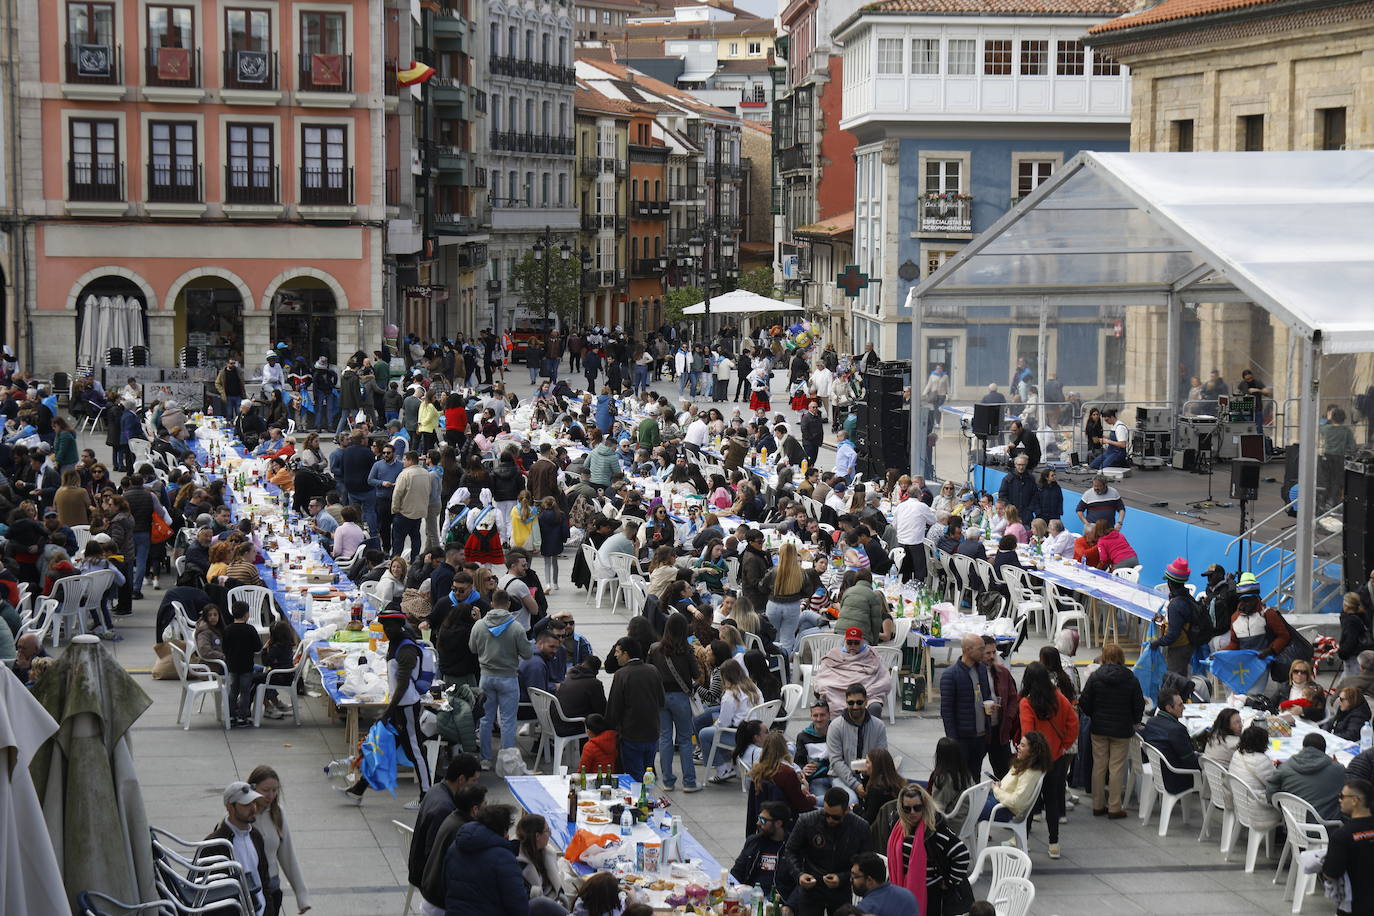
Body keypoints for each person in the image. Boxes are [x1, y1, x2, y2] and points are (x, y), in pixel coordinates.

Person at [344, 612, 433, 806]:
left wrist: (388, 712)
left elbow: (402, 685)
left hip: (406, 707)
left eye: (389, 627)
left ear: (399, 626)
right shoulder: (396, 642)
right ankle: (359, 789)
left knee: (415, 751)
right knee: (382, 747)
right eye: (384, 627)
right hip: (400, 706)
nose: (386, 631)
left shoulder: (405, 649)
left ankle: (427, 796)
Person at [880, 783, 972, 916]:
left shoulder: (935, 831)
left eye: (917, 808)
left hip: (930, 893)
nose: (912, 813)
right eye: (907, 809)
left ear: (925, 806)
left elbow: (962, 854)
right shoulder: (898, 826)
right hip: (902, 887)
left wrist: (949, 882)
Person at [1017, 661, 1078, 859]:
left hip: (1035, 760)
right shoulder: (1059, 698)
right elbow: (1073, 722)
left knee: (1028, 801)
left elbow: (1028, 734)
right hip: (1056, 758)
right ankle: (1054, 844)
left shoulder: (1027, 703)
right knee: (1052, 801)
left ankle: (1023, 841)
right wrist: (1063, 744)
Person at [1078, 642, 1145, 818]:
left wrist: (1094, 714)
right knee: (1116, 767)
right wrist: (1135, 720)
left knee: (1099, 766)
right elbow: (1138, 704)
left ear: (1104, 657)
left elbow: (1084, 702)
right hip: (1122, 730)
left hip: (1098, 728)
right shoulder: (1130, 678)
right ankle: (1115, 807)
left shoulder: (1095, 676)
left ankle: (1098, 804)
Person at [781, 787, 871, 916]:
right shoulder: (807, 821)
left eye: (835, 817)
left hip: (841, 889)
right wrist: (799, 874)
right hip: (812, 886)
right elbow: (790, 851)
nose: (829, 820)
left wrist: (843, 877)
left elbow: (865, 862)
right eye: (826, 814)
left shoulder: (860, 827)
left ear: (846, 810)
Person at [469, 590, 531, 770]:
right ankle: (507, 760)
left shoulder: (479, 625)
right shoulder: (516, 627)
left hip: (486, 677)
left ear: (492, 603)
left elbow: (472, 648)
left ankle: (486, 759)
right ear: (509, 604)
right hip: (508, 677)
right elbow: (527, 654)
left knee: (486, 719)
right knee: (508, 720)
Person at [443, 805, 531, 916]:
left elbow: (445, 885)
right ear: (504, 830)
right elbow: (518, 906)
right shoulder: (504, 858)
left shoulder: (455, 847)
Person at [247, 765, 311, 916]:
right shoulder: (241, 815)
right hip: (246, 887)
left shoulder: (278, 813)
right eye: (266, 790)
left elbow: (288, 856)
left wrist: (302, 896)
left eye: (275, 790)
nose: (271, 795)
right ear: (252, 788)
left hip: (271, 886)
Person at [649, 612, 702, 792]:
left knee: (665, 738)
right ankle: (689, 782)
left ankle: (668, 781)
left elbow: (650, 670)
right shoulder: (686, 650)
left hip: (661, 697)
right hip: (681, 696)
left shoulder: (655, 649)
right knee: (686, 739)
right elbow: (696, 675)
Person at [205, 781, 271, 916]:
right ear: (230, 807)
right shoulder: (213, 845)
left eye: (254, 802)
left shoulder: (256, 835)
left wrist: (270, 909)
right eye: (246, 804)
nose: (253, 808)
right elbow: (206, 894)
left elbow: (264, 877)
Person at [604, 636, 665, 781]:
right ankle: (648, 800)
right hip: (652, 733)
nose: (615, 655)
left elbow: (614, 708)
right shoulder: (653, 670)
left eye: (618, 651)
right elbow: (661, 700)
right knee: (647, 775)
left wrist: (609, 727)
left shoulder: (621, 674)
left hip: (631, 735)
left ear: (626, 654)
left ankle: (640, 801)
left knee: (635, 778)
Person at [824, 682, 889, 806]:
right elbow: (836, 761)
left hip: (871, 776)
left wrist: (870, 780)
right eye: (851, 703)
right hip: (841, 777)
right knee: (852, 800)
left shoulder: (878, 726)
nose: (855, 706)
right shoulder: (835, 726)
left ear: (866, 701)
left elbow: (882, 757)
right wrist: (856, 785)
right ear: (846, 702)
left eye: (859, 702)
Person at [699, 657, 762, 783]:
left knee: (704, 734)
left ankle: (722, 768)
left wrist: (716, 724)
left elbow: (724, 723)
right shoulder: (754, 688)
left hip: (740, 735)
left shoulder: (730, 695)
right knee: (714, 731)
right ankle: (728, 763)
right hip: (756, 730)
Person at [940, 634, 995, 777]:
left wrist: (990, 706)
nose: (984, 653)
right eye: (981, 649)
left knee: (975, 775)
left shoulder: (982, 670)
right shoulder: (950, 675)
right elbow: (947, 711)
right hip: (962, 738)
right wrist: (953, 741)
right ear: (968, 650)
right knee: (960, 777)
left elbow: (986, 695)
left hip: (981, 736)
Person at [1266, 731, 1347, 821]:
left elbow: (1271, 794)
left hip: (1293, 824)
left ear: (1303, 748)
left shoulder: (1285, 767)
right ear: (1324, 751)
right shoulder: (1338, 770)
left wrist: (1282, 808)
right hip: (1327, 826)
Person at [813, 629, 891, 721]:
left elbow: (884, 678)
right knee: (824, 687)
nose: (853, 646)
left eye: (856, 643)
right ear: (845, 641)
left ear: (862, 641)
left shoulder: (871, 655)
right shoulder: (834, 654)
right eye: (850, 642)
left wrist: (869, 690)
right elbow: (823, 675)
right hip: (836, 689)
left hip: (864, 688)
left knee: (874, 706)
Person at [1323, 778, 1374, 916]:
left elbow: (1331, 873)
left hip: (1355, 906)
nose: (1339, 800)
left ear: (1354, 800)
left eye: (1342, 796)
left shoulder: (1342, 836)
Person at [980, 732, 1052, 826]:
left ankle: (960, 837)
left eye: (1022, 745)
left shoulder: (1030, 773)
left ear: (1033, 751)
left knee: (966, 808)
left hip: (1003, 808)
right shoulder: (1024, 763)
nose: (1017, 746)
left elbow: (1016, 802)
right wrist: (998, 787)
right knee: (967, 802)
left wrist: (996, 790)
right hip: (999, 802)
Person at [1140, 688, 1201, 795]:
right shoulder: (1177, 730)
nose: (1184, 707)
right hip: (1175, 779)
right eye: (1180, 705)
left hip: (1159, 772)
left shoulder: (1151, 722)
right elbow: (1190, 761)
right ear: (1169, 708)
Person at [731, 800, 793, 896]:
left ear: (778, 823)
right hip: (750, 894)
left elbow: (798, 886)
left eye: (763, 820)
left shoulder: (792, 847)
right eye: (759, 818)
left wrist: (790, 906)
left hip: (778, 899)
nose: (758, 823)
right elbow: (737, 871)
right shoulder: (753, 841)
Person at [1151, 558, 1201, 675]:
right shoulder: (1187, 598)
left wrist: (1157, 642)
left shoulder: (1176, 604)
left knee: (1175, 681)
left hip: (1179, 648)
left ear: (1170, 583)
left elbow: (1173, 635)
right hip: (1188, 645)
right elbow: (1181, 621)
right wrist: (1163, 620)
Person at [516, 813, 569, 911]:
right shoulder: (518, 865)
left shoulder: (547, 852)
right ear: (537, 836)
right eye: (547, 830)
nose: (550, 834)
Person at [224, 600, 263, 729]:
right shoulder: (250, 629)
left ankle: (230, 716)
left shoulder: (228, 629)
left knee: (233, 691)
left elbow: (224, 648)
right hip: (246, 666)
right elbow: (258, 647)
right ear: (247, 614)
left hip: (232, 666)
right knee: (245, 692)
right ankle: (242, 717)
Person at [848, 852, 918, 916]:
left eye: (855, 876)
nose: (851, 880)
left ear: (869, 880)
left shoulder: (865, 909)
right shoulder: (907, 895)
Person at [927, 736, 974, 814]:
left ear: (939, 756)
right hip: (966, 815)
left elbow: (937, 808)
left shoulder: (943, 779)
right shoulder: (966, 774)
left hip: (951, 821)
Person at [1229, 724, 1278, 797]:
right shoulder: (1262, 760)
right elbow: (1274, 784)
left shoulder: (1237, 753)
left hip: (1237, 797)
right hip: (1257, 802)